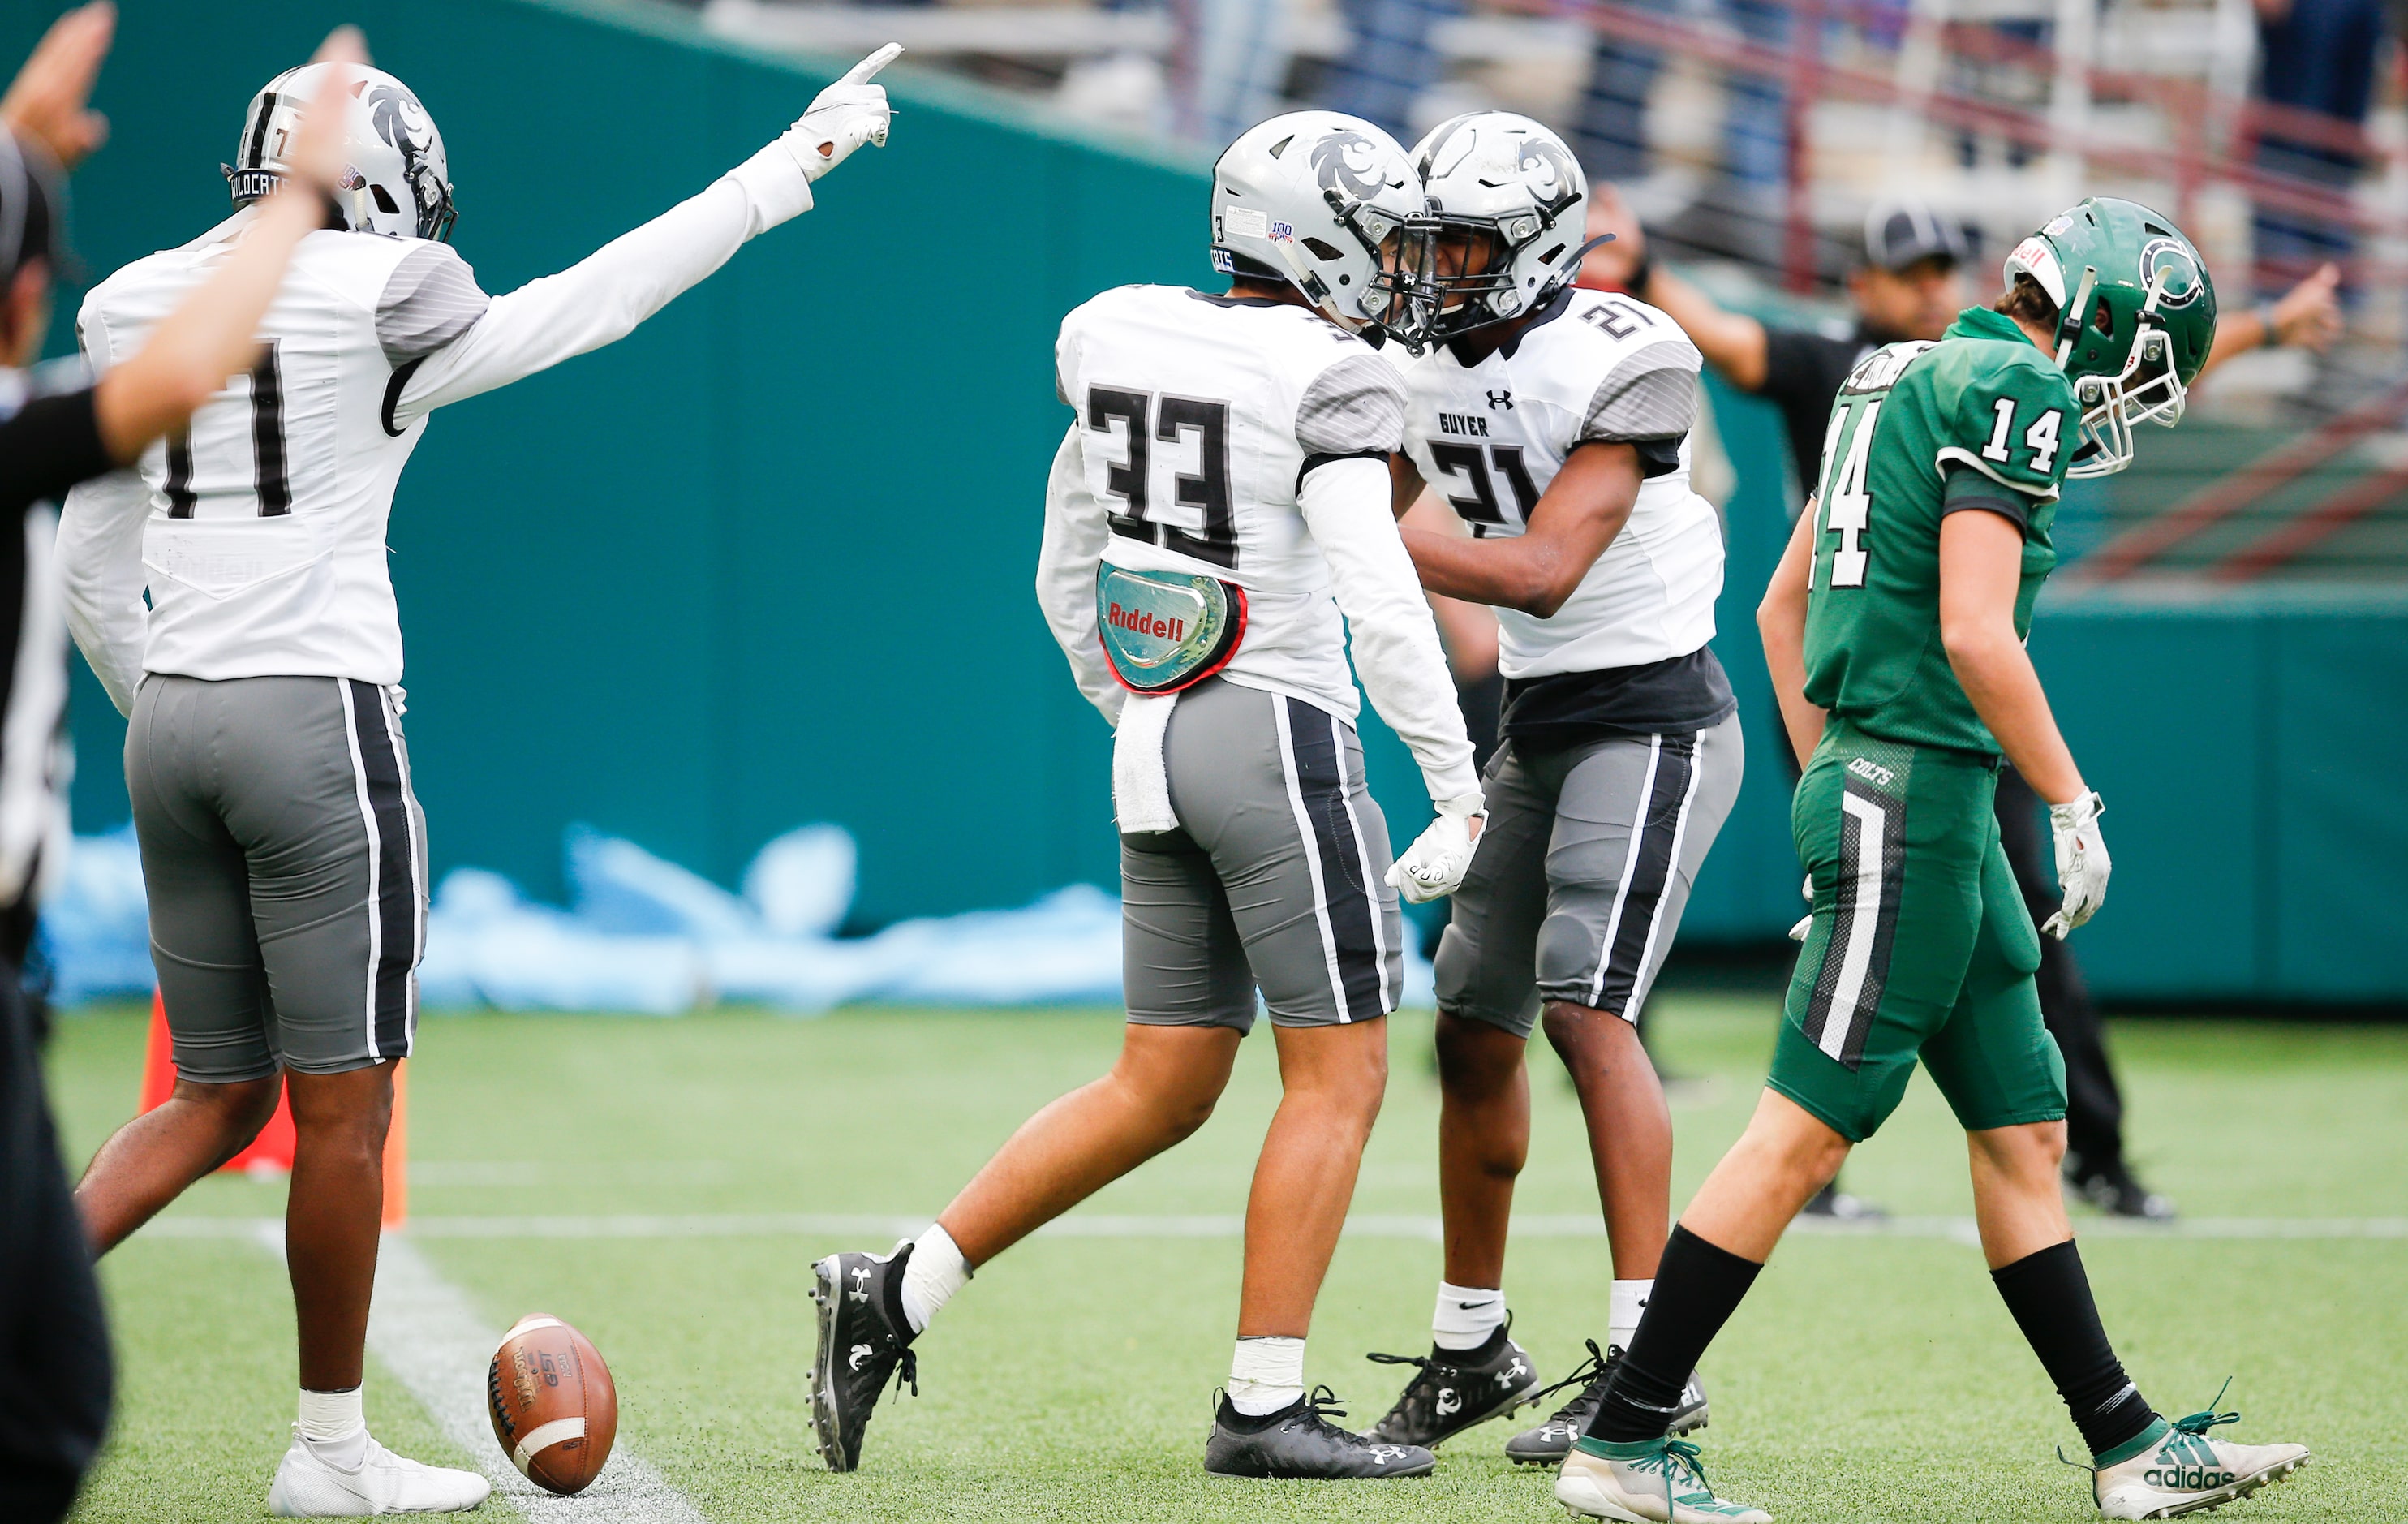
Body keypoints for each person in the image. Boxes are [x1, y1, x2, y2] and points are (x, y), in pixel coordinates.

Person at [55, 39, 905, 1517]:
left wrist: (166, 704)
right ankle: (329, 1450)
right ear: (379, 185)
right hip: (311, 714)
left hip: (170, 720)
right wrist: (794, 165)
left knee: (205, 1095)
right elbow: (602, 300)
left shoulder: (134, 298)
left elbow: (85, 559)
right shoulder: (383, 294)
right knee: (343, 1113)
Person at [1554, 199, 2312, 1524]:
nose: (2134, 398)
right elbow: (1974, 628)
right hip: (1920, 795)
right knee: (1802, 1131)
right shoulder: (2012, 379)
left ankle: (2127, 1447)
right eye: (2143, 361)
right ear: (2095, 317)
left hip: (1909, 794)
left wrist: (1826, 778)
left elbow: (1782, 604)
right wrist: (2070, 798)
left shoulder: (1890, 367)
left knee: (2026, 1127)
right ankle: (1623, 1439)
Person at [806, 110, 1484, 1483]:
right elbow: (1380, 594)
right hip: (1279, 728)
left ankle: (894, 1290)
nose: (1399, 267)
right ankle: (1264, 1400)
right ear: (1319, 236)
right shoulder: (1328, 375)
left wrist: (1136, 707)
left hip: (1160, 727)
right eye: (1382, 235)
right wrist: (1459, 783)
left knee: (1164, 1078)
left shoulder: (1121, 329)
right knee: (1342, 1071)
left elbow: (1066, 556)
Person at [0, 15, 399, 1519]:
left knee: (203, 1111)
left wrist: (27, 155)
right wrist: (297, 204)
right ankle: (333, 1452)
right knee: (54, 1402)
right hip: (246, 741)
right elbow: (168, 385)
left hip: (89, 840)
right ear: (29, 291)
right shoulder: (40, 427)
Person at [1352, 113, 1739, 1467]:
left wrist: (1347, 511)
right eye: (1425, 241)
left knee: (1587, 1009)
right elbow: (1397, 488)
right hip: (1541, 716)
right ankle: (1471, 1345)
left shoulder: (1623, 353)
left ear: (1534, 248)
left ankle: (1651, 1364)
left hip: (1654, 711)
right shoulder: (1408, 353)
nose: (1434, 269)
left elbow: (1540, 572)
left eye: (1463, 242)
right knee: (1468, 1023)